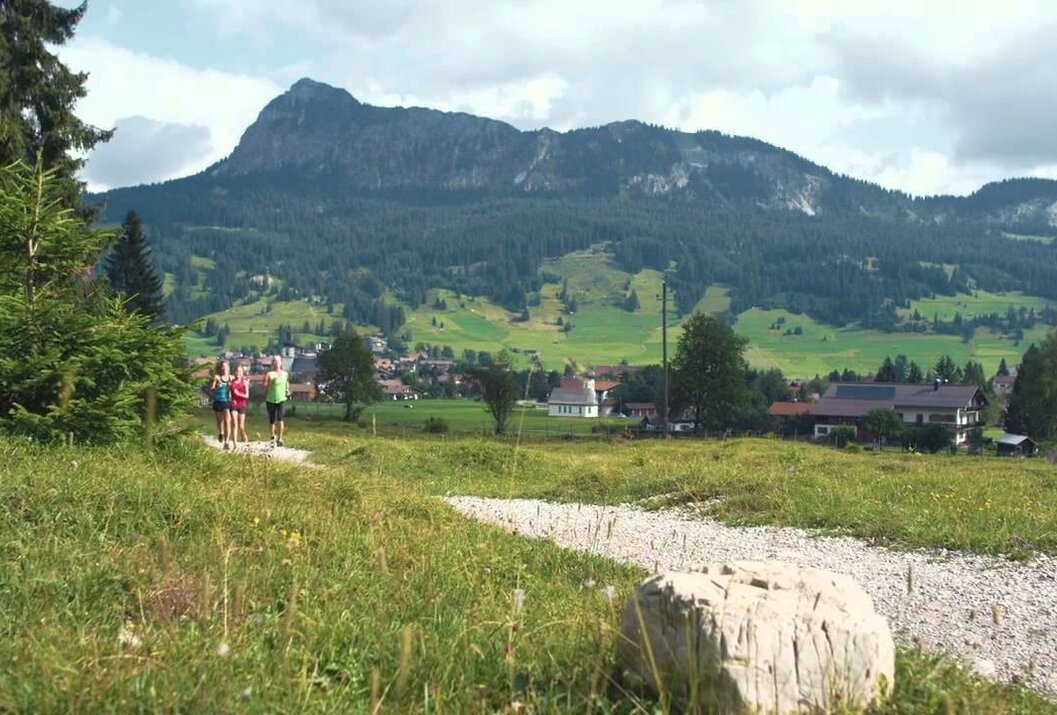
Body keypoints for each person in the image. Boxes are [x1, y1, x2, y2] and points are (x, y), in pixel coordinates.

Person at [264, 355, 290, 447]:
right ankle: (272, 437)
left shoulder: (285, 374)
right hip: (271, 399)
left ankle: (280, 438)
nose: (276, 363)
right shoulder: (269, 374)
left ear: (281, 362)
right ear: (272, 363)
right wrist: (271, 383)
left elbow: (287, 383)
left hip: (281, 399)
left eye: (278, 361)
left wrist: (287, 390)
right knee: (272, 419)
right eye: (274, 361)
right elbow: (265, 386)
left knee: (280, 418)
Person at [209, 360, 234, 450]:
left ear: (228, 367)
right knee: (220, 421)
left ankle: (226, 442)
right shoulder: (217, 377)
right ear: (220, 368)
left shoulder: (231, 378)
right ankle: (221, 432)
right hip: (218, 401)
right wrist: (216, 386)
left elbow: (235, 388)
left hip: (227, 401)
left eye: (225, 366)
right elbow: (211, 388)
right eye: (222, 366)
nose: (224, 368)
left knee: (228, 421)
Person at [230, 365, 250, 447]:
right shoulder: (232, 382)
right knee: (234, 424)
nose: (238, 373)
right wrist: (231, 399)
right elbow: (229, 394)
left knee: (241, 426)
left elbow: (247, 396)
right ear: (234, 372)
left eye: (240, 371)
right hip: (234, 405)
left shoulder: (244, 382)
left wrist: (238, 394)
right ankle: (235, 443)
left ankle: (244, 437)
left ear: (242, 373)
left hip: (242, 404)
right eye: (237, 371)